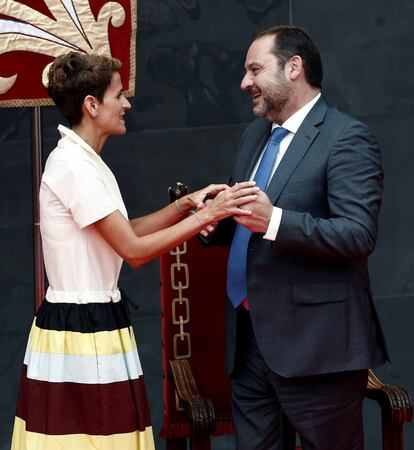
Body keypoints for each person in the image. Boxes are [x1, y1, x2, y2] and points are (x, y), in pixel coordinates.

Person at [10, 51, 258, 450]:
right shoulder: (73, 165)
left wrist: (184, 205)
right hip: (80, 330)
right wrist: (207, 214)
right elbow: (134, 251)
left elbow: (122, 233)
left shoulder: (84, 160)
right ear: (92, 105)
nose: (127, 104)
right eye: (119, 95)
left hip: (94, 321)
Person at [207, 25, 388, 450]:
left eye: (255, 69)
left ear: (294, 67)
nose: (244, 82)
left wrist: (275, 221)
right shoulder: (256, 134)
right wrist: (217, 222)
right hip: (250, 342)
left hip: (317, 349)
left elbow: (358, 233)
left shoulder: (346, 137)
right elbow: (247, 220)